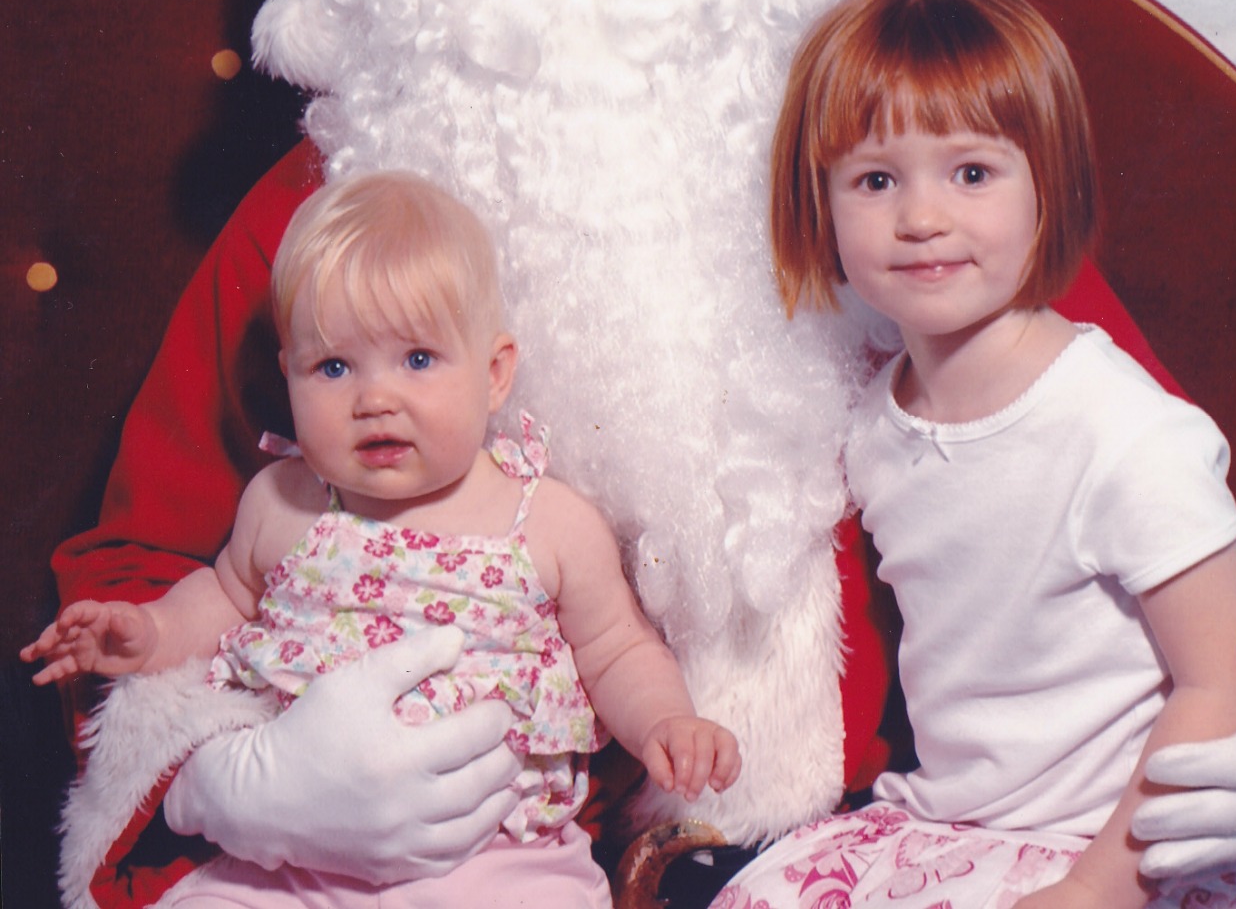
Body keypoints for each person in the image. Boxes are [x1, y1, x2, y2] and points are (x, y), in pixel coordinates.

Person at [48, 0, 1236, 906]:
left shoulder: (874, 178)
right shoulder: (335, 209)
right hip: (480, 852)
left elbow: (1127, 462)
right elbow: (140, 578)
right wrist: (229, 777)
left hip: (848, 837)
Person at [29, 171, 739, 907]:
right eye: (333, 367)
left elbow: (617, 648)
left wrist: (666, 720)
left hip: (496, 858)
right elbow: (222, 597)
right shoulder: (284, 503)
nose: (374, 399)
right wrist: (147, 632)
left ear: (495, 373)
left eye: (418, 360)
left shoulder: (547, 523)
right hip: (292, 856)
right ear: (288, 374)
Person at [719, 0, 1236, 908]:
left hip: (1117, 848)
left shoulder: (1119, 430)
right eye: (876, 180)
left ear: (1048, 187)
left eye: (971, 173)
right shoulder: (875, 425)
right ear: (820, 204)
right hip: (949, 826)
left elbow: (1229, 688)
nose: (922, 218)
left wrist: (1094, 890)